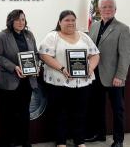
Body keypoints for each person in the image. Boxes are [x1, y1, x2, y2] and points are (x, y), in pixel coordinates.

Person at [38, 10, 100, 147]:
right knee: (60, 113)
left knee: (80, 113)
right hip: (59, 83)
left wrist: (90, 68)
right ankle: (61, 142)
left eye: (73, 20)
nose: (70, 23)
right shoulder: (52, 36)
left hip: (82, 83)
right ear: (60, 22)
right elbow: (44, 55)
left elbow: (95, 54)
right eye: (67, 20)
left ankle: (79, 141)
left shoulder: (84, 36)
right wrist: (62, 68)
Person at [86, 0, 130, 147]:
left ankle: (118, 140)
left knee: (118, 110)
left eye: (110, 6)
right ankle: (100, 134)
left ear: (115, 10)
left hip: (114, 77)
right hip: (94, 74)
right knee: (97, 107)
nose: (107, 9)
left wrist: (120, 76)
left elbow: (125, 55)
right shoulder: (94, 26)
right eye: (104, 7)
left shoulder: (123, 28)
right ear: (99, 9)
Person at [0, 9, 38, 147]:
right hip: (10, 80)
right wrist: (14, 67)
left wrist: (35, 66)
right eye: (18, 19)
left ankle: (25, 141)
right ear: (11, 21)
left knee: (25, 112)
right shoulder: (2, 35)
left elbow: (35, 54)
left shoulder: (29, 35)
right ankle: (8, 142)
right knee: (9, 114)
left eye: (23, 19)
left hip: (28, 81)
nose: (21, 22)